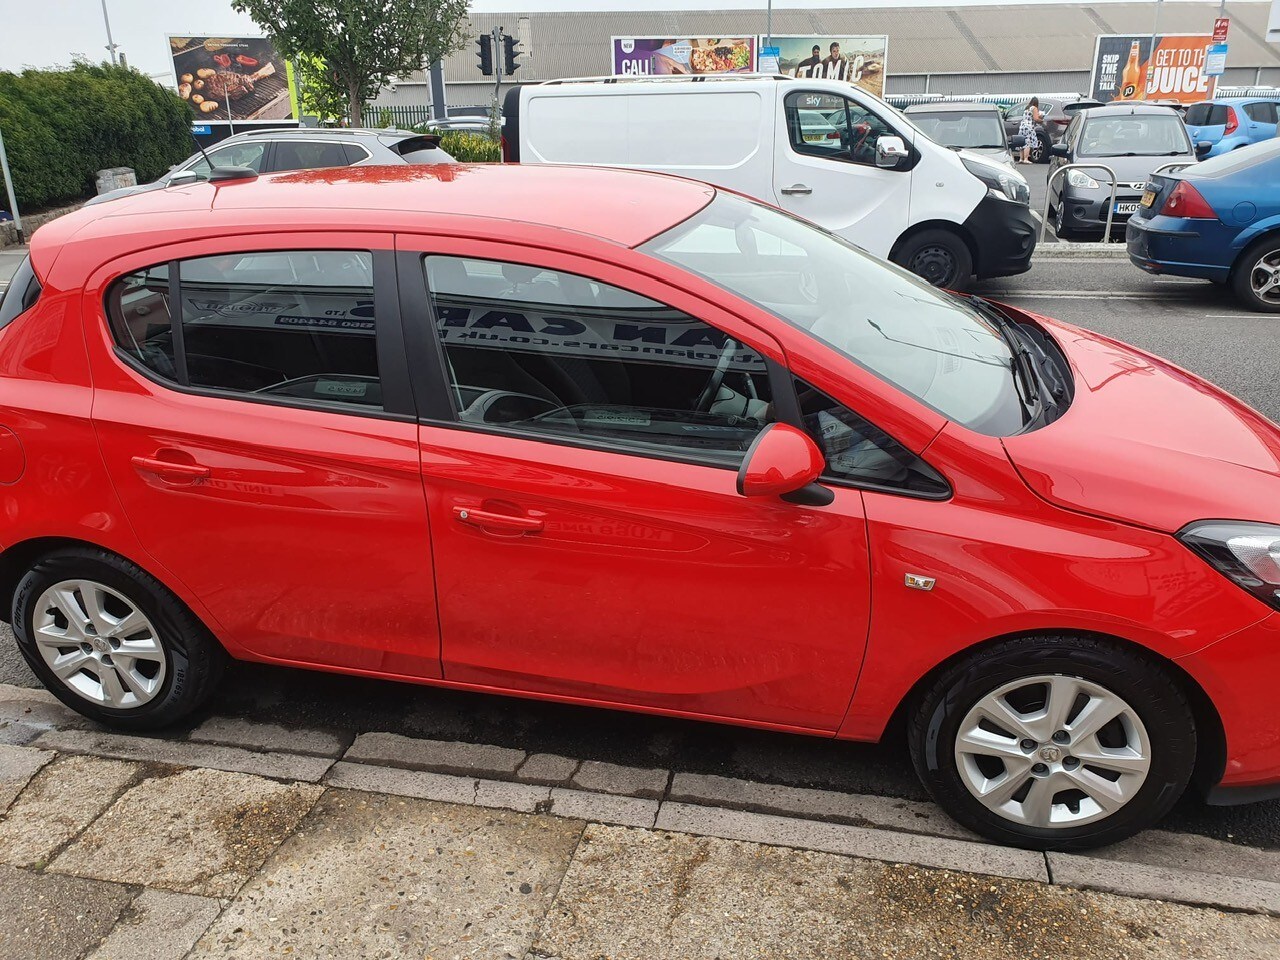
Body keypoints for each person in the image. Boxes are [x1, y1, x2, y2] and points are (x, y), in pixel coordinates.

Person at [1019, 97, 1043, 165]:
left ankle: (1021, 158)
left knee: (1022, 143)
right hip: (1029, 127)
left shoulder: (1026, 108)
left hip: (1022, 126)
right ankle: (1026, 159)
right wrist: (1041, 120)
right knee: (1028, 143)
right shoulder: (1034, 108)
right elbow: (1036, 119)